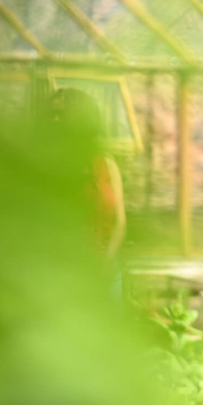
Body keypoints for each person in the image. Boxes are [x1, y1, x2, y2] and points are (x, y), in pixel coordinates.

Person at [49, 88, 127, 297]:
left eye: (62, 115)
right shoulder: (50, 166)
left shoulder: (107, 165)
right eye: (52, 115)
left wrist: (104, 264)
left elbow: (119, 223)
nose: (56, 121)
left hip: (105, 270)